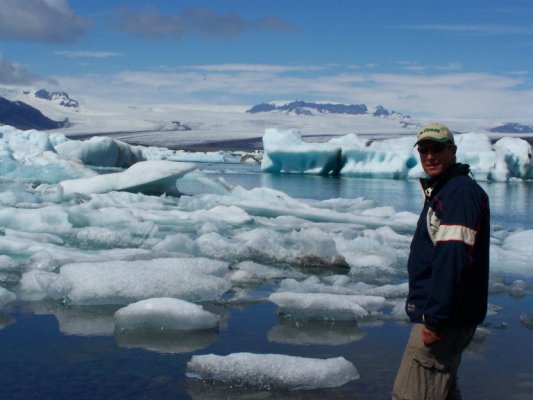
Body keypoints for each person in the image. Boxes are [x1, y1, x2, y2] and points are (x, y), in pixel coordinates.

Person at [392, 123, 490, 400]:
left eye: (437, 149)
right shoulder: (446, 190)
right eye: (424, 150)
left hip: (443, 322)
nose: (430, 156)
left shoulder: (458, 192)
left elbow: (453, 258)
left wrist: (434, 320)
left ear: (452, 151)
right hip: (447, 317)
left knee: (410, 394)